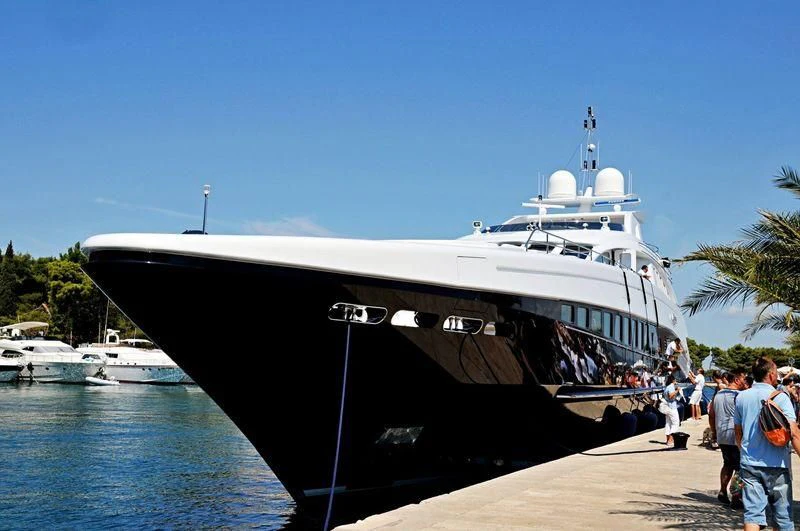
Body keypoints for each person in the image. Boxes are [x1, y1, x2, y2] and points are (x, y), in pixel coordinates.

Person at [734, 357, 800, 531]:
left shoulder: (741, 397)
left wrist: (745, 451)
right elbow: (794, 433)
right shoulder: (781, 398)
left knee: (752, 516)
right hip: (777, 464)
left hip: (750, 464)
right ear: (771, 375)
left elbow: (738, 433)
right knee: (783, 519)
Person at [708, 368, 747, 507]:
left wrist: (714, 432)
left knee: (727, 463)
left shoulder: (717, 395)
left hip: (722, 435)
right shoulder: (739, 396)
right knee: (740, 467)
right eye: (743, 378)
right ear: (736, 380)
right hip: (735, 435)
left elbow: (711, 415)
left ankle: (723, 491)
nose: (745, 381)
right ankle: (736, 497)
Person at [663, 373, 682, 447]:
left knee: (668, 423)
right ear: (673, 380)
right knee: (675, 423)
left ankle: (668, 440)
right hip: (672, 407)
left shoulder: (666, 387)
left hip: (667, 407)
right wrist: (677, 390)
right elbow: (671, 396)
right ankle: (671, 439)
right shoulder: (671, 387)